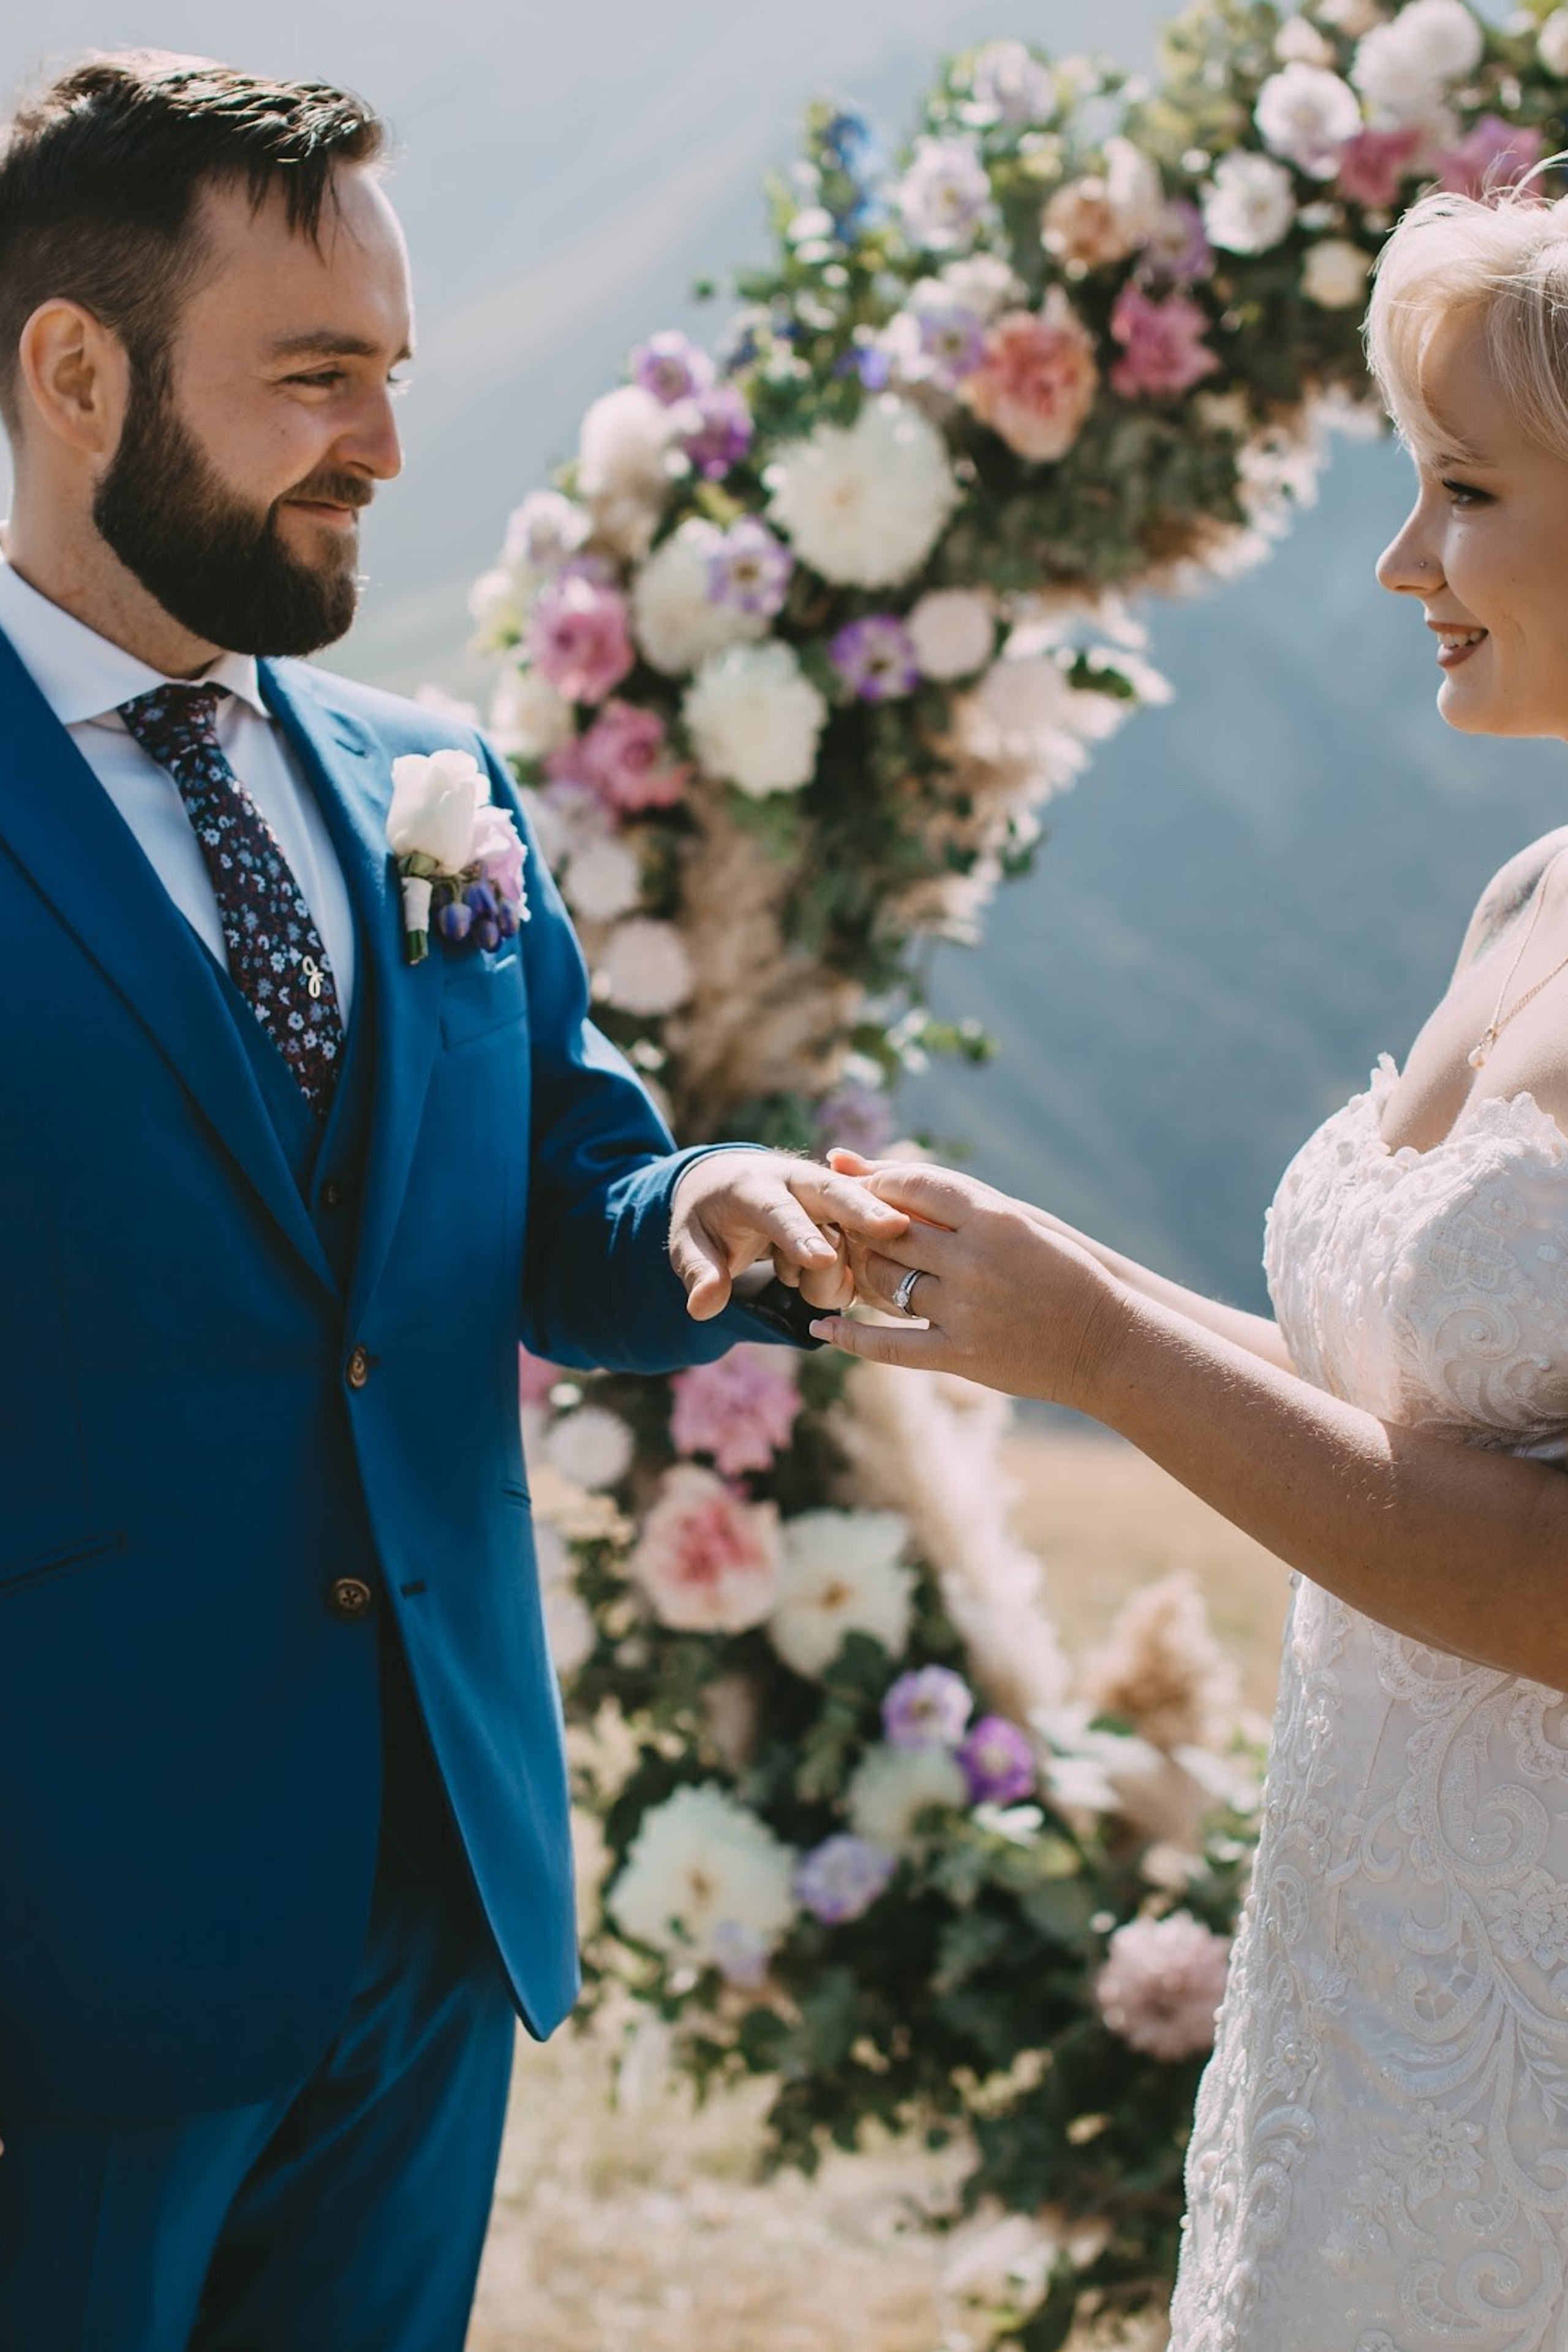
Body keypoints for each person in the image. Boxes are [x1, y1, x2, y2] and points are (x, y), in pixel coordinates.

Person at [0, 50, 898, 2352]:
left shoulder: (433, 783)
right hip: (62, 1954)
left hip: (435, 1898)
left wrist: (706, 1200)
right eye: (315, 378)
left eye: (392, 374)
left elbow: (563, 1199)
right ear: (73, 372)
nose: (387, 448)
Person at [811, 180, 1568, 2352]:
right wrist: (1039, 1284)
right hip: (1363, 1977)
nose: (1403, 562)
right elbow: (1407, 1407)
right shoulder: (1528, 892)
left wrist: (1112, 1355)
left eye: (1466, 493)